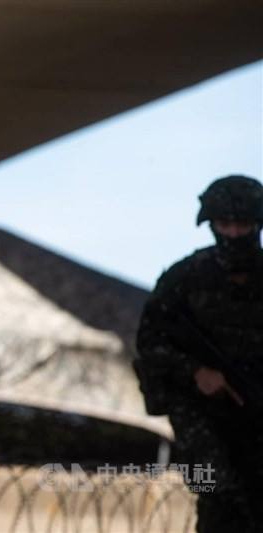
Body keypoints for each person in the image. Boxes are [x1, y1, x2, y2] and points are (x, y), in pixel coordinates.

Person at [135, 175, 263, 532]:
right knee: (218, 492)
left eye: (244, 224)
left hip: (256, 411)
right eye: (225, 224)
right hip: (200, 413)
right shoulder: (184, 280)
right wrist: (195, 372)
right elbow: (150, 344)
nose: (235, 234)